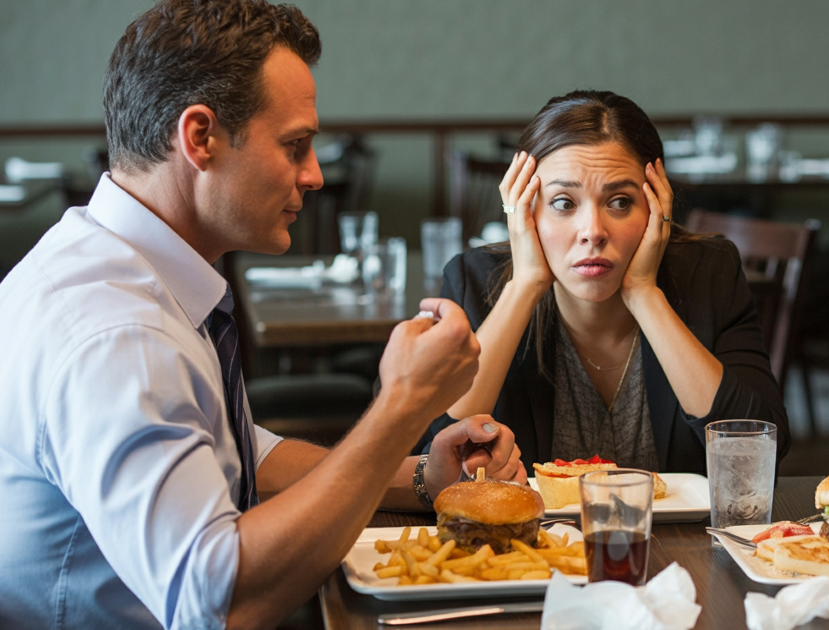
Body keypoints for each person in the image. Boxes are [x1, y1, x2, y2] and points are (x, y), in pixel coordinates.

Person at [0, 2, 526, 628]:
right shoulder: (118, 336)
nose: (315, 174)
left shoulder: (120, 261)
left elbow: (243, 455)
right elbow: (220, 604)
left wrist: (419, 475)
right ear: (200, 138)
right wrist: (401, 407)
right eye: (295, 145)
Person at [423, 90, 789, 475]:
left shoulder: (709, 273)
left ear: (655, 206)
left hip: (683, 537)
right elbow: (433, 463)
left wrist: (645, 294)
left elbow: (758, 457)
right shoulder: (475, 281)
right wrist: (525, 284)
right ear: (528, 211)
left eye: (620, 202)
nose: (593, 232)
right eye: (564, 203)